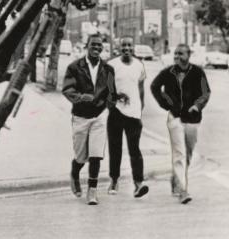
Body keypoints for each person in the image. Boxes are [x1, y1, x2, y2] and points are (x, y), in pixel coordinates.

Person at [150, 43, 211, 204]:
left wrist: (197, 106)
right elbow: (155, 86)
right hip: (175, 117)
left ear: (188, 55)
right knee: (179, 154)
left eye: (181, 54)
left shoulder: (197, 72)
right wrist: (167, 103)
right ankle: (183, 190)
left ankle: (176, 178)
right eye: (175, 54)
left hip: (192, 118)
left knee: (188, 153)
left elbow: (206, 92)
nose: (177, 57)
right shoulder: (168, 72)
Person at [62, 34, 115, 205]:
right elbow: (67, 89)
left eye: (100, 45)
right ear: (87, 46)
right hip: (80, 116)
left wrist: (109, 104)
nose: (97, 48)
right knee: (81, 156)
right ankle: (75, 172)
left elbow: (111, 93)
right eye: (93, 45)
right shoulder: (75, 67)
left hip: (99, 115)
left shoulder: (108, 69)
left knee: (96, 155)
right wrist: (79, 97)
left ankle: (92, 191)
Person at [107, 37, 149, 198]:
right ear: (119, 47)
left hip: (133, 114)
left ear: (133, 47)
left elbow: (141, 88)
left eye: (129, 45)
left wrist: (140, 107)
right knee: (115, 148)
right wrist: (115, 98)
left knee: (135, 150)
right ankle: (114, 180)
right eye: (123, 45)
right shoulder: (112, 65)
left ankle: (138, 184)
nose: (126, 48)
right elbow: (107, 88)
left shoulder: (139, 65)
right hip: (116, 112)